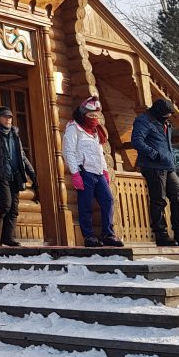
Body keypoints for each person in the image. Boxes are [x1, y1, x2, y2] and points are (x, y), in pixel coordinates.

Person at [131, 98, 179, 246]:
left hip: (168, 166)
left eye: (170, 114)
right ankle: (161, 235)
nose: (168, 116)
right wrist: (155, 155)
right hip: (153, 166)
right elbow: (136, 141)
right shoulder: (143, 121)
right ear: (158, 111)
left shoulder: (165, 123)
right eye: (166, 113)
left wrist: (170, 159)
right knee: (158, 200)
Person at [63, 98, 124, 248]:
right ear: (83, 115)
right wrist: (75, 173)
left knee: (108, 200)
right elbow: (68, 151)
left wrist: (104, 171)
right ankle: (89, 236)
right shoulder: (73, 128)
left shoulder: (97, 131)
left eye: (96, 116)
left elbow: (99, 152)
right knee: (85, 205)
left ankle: (108, 234)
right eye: (91, 116)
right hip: (84, 172)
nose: (94, 119)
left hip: (97, 171)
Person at [0, 106, 37, 247]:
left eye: (10, 117)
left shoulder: (14, 134)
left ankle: (7, 237)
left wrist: (32, 173)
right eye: (5, 117)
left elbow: (22, 156)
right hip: (0, 174)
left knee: (13, 208)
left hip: (15, 174)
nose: (8, 119)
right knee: (5, 203)